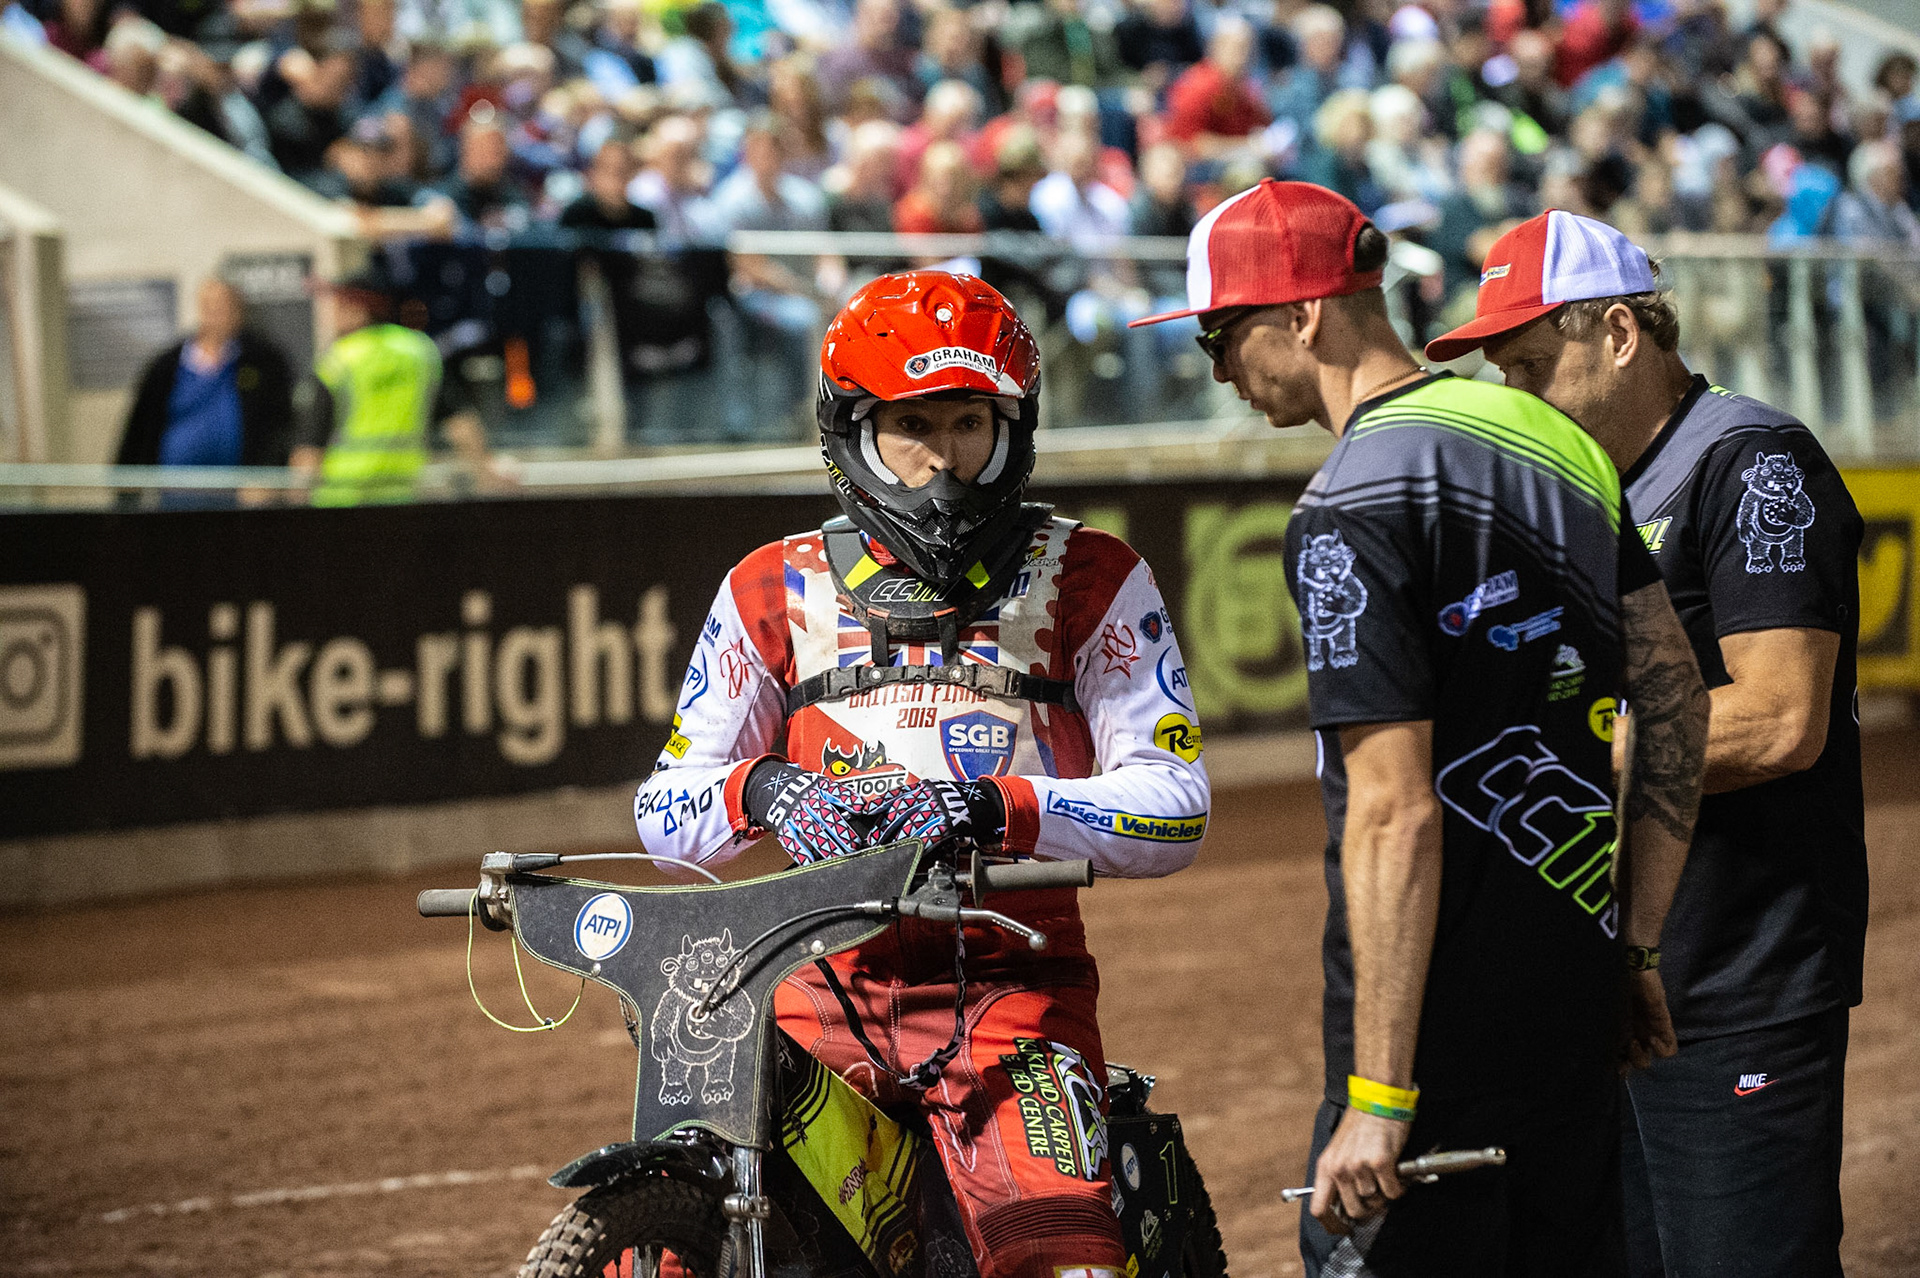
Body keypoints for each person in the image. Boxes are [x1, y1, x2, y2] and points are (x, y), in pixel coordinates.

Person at [1131, 182, 1709, 1276]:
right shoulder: (1552, 437)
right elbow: (1674, 697)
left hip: (1432, 1049)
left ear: (1303, 315)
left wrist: (1381, 1095)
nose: (1217, 370)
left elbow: (1394, 810)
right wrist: (1634, 945)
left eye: (1221, 335)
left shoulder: (1349, 505)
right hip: (1571, 1010)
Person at [634, 269, 1210, 1278]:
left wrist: (989, 809)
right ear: (852, 432)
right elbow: (663, 806)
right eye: (912, 427)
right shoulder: (769, 585)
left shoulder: (1095, 575)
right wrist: (766, 791)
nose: (944, 465)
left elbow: (1176, 806)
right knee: (683, 1241)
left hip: (1010, 991)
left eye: (969, 425)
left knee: (1063, 1261)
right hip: (814, 992)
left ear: (1012, 428)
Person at [1430, 210, 1867, 1278]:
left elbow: (1780, 719)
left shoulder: (1747, 462)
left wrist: (1550, 742)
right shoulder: (1570, 493)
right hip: (1599, 988)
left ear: (1621, 333)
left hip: (1735, 983)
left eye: (1533, 365)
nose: (1515, 398)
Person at [292, 266, 494, 505]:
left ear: (358, 310)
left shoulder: (338, 362)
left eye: (338, 305)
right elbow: (462, 425)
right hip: (403, 496)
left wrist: (298, 502)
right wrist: (485, 479)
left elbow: (309, 449)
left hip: (340, 500)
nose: (331, 314)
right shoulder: (419, 353)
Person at [117, 277, 294, 470]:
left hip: (242, 488)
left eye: (223, 306)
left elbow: (279, 424)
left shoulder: (264, 362)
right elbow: (140, 427)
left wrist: (267, 473)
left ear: (237, 311)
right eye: (209, 306)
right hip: (176, 488)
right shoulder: (167, 365)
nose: (216, 314)